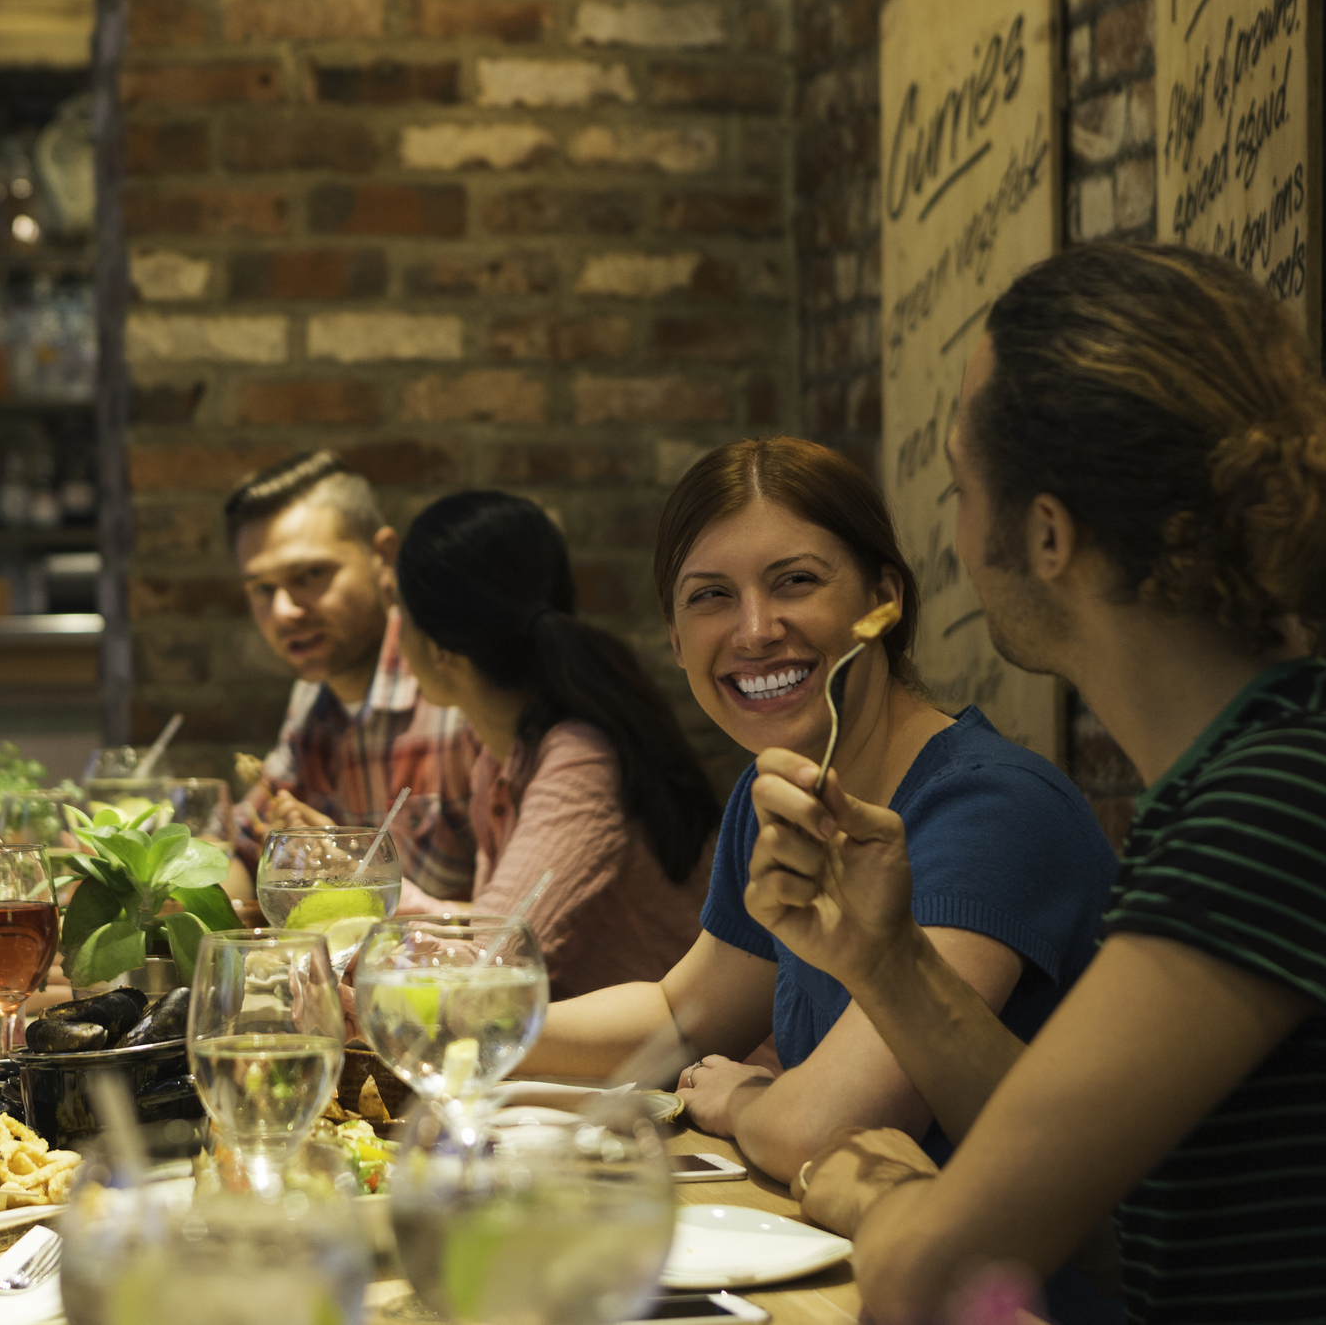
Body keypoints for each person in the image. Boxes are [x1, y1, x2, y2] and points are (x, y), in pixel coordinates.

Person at [757, 243, 1326, 1324]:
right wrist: (887, 960)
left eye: (957, 484)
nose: (953, 535)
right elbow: (1129, 1219)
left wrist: (888, 1199)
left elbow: (931, 1277)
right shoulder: (1274, 767)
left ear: (1047, 533)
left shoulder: (1280, 806)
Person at [518, 435, 1121, 1324]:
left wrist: (747, 1097)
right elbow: (684, 1015)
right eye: (711, 597)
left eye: (794, 580)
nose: (754, 628)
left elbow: (822, 1122)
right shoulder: (782, 789)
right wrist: (443, 1026)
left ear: (883, 598)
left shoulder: (988, 810)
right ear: (675, 638)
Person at [387, 491, 718, 997]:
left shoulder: (581, 759)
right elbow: (507, 921)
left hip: (694, 1072)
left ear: (439, 649)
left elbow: (487, 969)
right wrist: (409, 907)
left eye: (399, 610)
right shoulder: (503, 759)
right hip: (617, 1069)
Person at [228, 451, 480, 901]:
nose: (284, 611)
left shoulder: (459, 691)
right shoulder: (311, 697)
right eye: (263, 589)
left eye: (309, 575)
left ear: (383, 557)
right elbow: (244, 851)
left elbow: (524, 914)